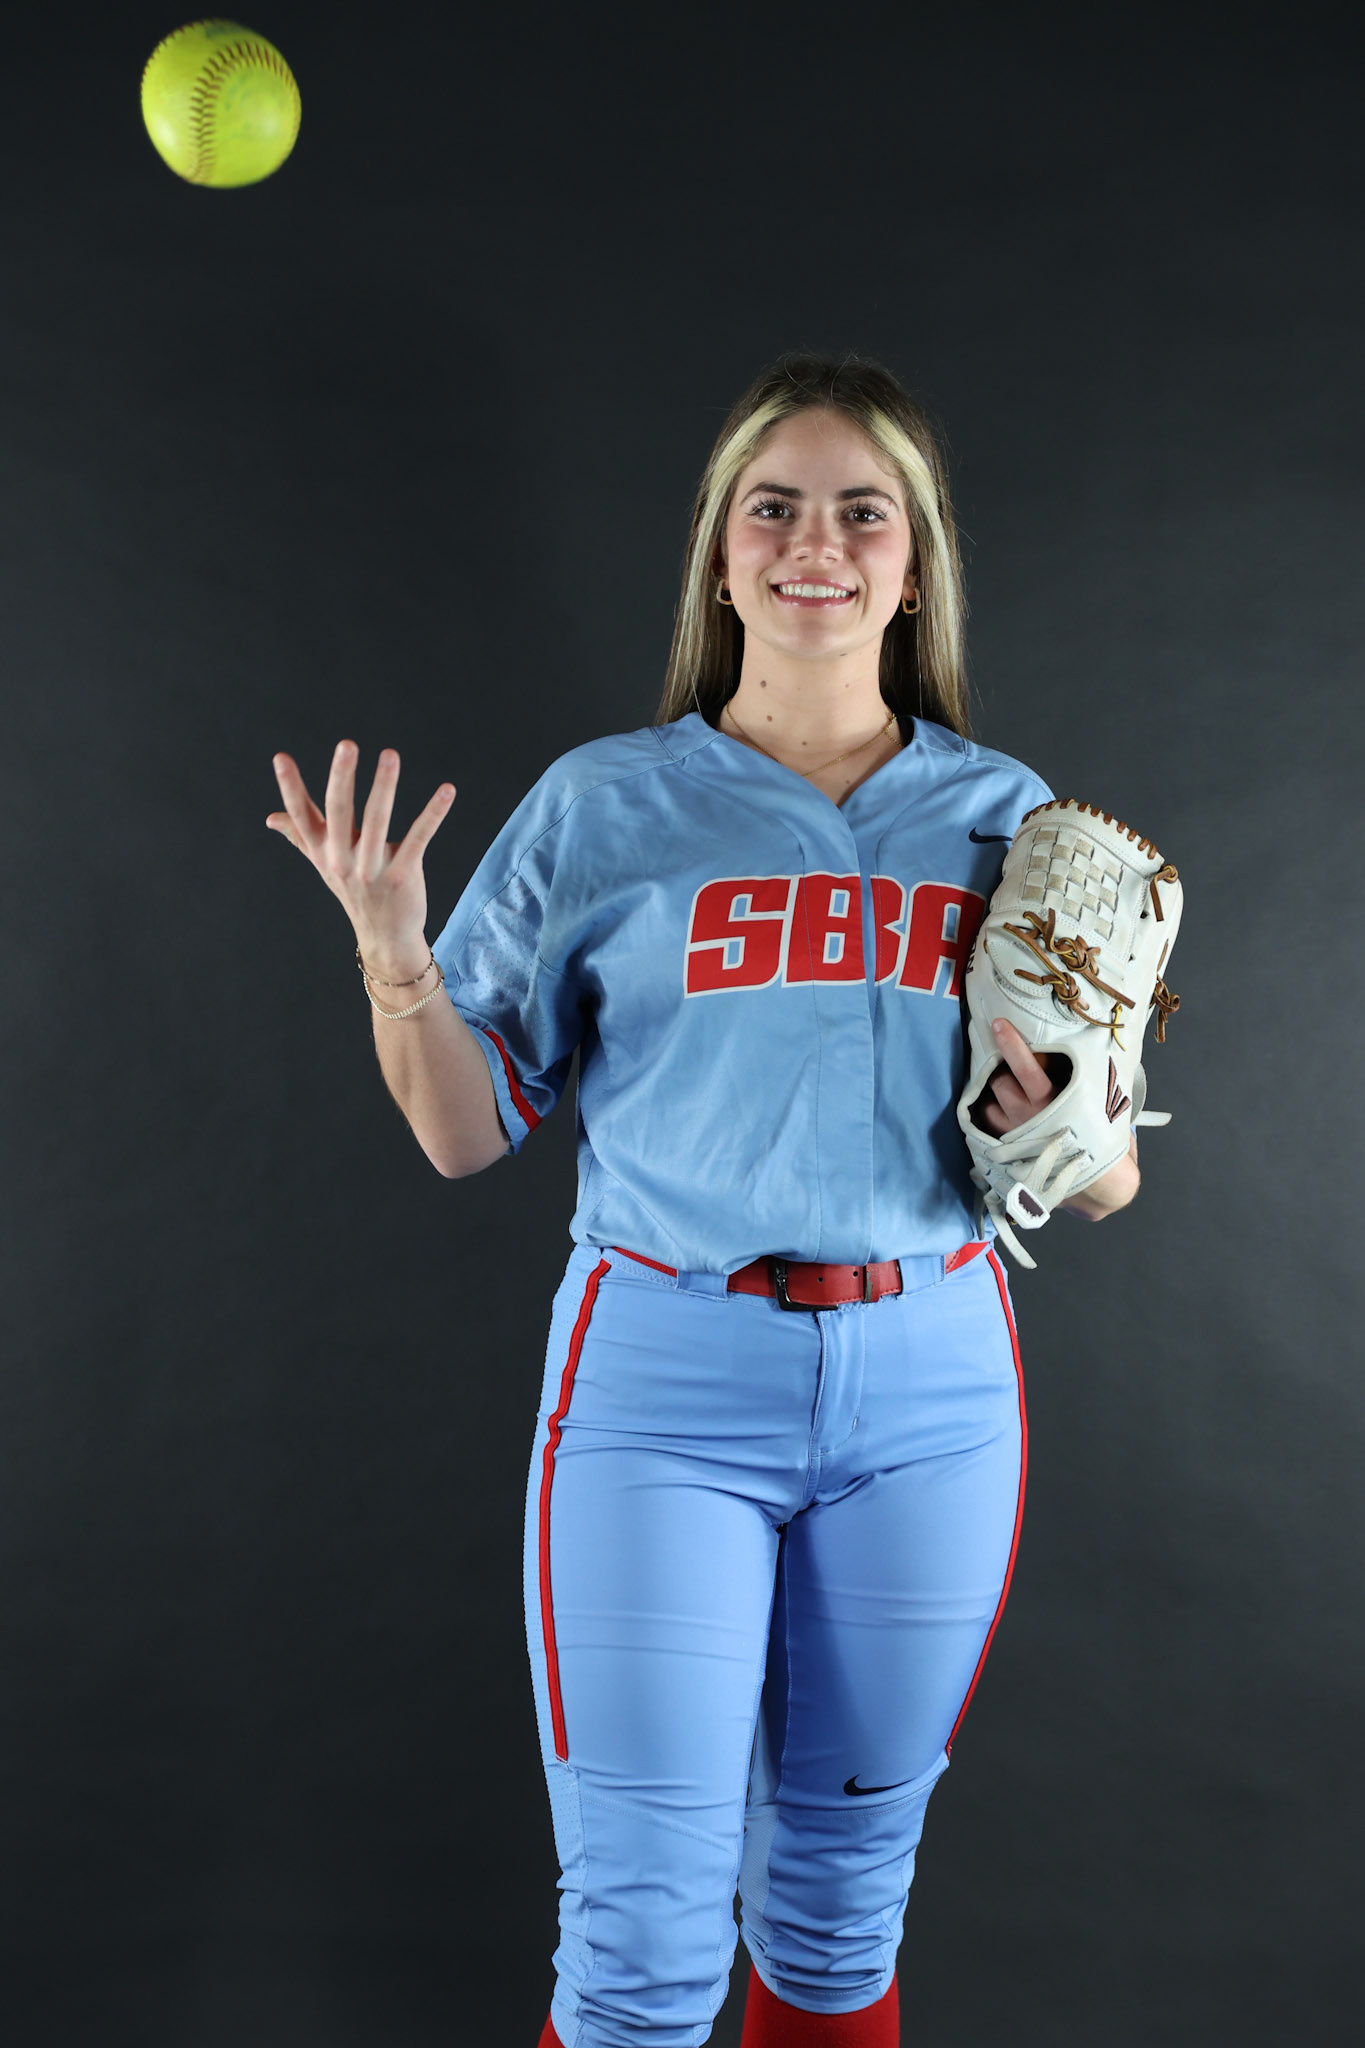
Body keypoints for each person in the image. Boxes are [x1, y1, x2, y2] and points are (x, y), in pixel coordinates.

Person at [266, 352, 1140, 2048]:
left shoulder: (1005, 816)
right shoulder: (608, 803)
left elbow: (1103, 1180)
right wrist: (393, 964)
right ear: (722, 556)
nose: (817, 543)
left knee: (833, 1927)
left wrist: (1063, 1125)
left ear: (912, 561)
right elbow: (465, 1132)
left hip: (933, 1389)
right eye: (774, 508)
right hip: (663, 1384)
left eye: (860, 513)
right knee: (641, 1956)